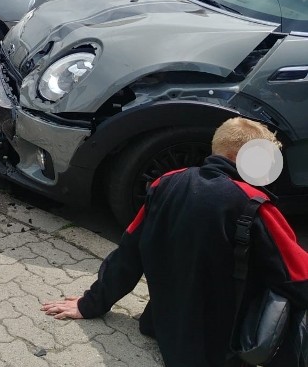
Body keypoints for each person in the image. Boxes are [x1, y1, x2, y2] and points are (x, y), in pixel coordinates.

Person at [41, 117, 308, 367]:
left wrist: (90, 304)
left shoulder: (165, 183)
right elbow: (298, 276)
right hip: (219, 351)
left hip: (165, 330)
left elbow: (128, 252)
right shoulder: (255, 206)